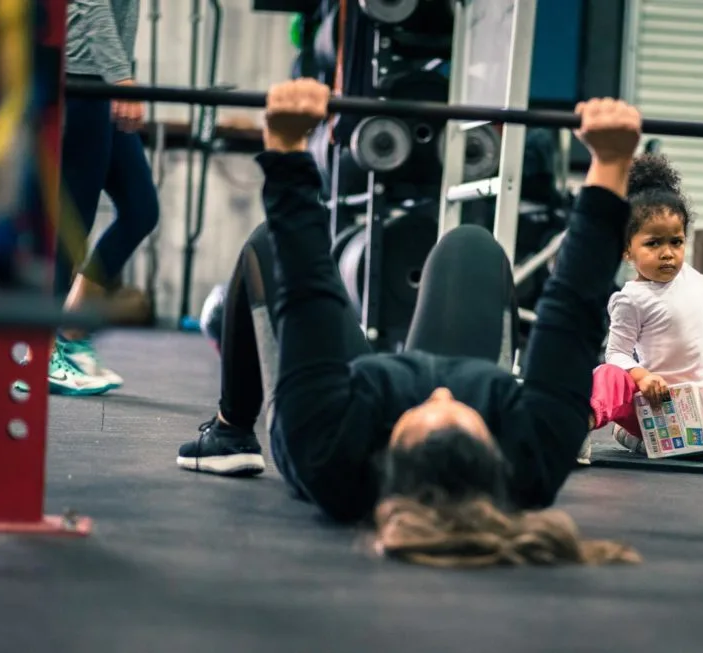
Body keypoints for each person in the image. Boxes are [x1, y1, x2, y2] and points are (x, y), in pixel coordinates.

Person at [177, 78, 645, 568]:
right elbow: (572, 310)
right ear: (494, 451)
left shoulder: (328, 452)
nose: (438, 396)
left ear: (388, 453)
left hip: (346, 403)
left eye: (421, 414)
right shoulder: (533, 457)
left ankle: (230, 431)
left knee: (268, 242)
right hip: (445, 400)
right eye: (462, 414)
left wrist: (288, 146)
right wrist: (611, 163)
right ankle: (449, 413)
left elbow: (305, 288)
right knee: (471, 246)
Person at [587, 154, 703, 459]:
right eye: (653, 244)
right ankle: (583, 425)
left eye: (676, 242)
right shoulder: (631, 298)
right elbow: (617, 352)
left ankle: (642, 440)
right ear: (627, 250)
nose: (668, 254)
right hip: (650, 399)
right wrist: (642, 377)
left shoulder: (689, 277)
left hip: (692, 402)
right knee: (609, 373)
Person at [49, 0, 160, 396]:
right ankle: (36, 355)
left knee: (140, 209)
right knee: (71, 224)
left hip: (103, 77)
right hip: (84, 75)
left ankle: (71, 329)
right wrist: (119, 77)